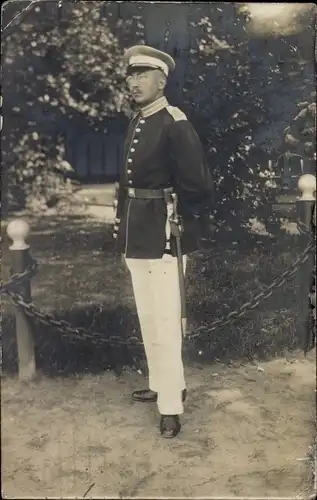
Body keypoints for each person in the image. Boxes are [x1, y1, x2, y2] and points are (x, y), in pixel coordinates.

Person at [113, 44, 214, 438]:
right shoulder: (138, 121)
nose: (133, 82)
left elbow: (199, 186)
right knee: (148, 316)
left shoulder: (175, 123)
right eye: (130, 76)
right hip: (136, 233)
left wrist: (180, 222)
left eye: (141, 75)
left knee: (167, 320)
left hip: (163, 234)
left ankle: (170, 407)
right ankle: (161, 384)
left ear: (161, 80)